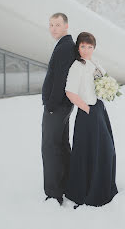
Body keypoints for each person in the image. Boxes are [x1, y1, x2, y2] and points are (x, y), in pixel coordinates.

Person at [64, 31, 118, 209]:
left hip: (99, 111)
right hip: (87, 113)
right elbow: (70, 92)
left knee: (106, 149)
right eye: (82, 46)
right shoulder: (77, 66)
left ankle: (102, 186)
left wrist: (108, 91)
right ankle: (86, 190)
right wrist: (86, 108)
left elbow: (103, 81)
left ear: (94, 48)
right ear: (78, 47)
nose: (86, 50)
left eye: (89, 47)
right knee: (90, 152)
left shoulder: (95, 63)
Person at [41, 13, 76, 206]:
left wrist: (51, 105)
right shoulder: (65, 45)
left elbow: (60, 79)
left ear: (66, 26)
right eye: (51, 25)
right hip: (62, 105)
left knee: (50, 147)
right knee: (61, 146)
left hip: (57, 106)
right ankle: (66, 184)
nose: (53, 28)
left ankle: (54, 193)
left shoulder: (64, 47)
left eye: (57, 24)